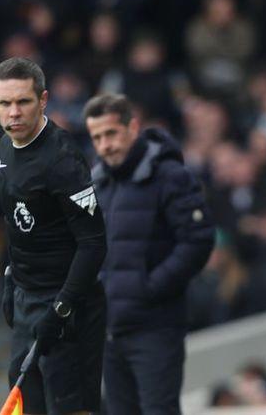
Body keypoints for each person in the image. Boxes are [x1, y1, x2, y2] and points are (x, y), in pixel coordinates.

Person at [83, 94, 214, 414]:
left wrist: (148, 288)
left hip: (156, 328)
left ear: (133, 128)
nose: (105, 145)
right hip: (110, 330)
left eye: (111, 133)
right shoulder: (98, 182)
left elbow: (198, 240)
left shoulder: (170, 176)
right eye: (97, 138)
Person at [0, 57, 107, 415]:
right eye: (5, 103)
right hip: (27, 300)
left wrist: (62, 307)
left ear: (43, 100)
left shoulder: (63, 159)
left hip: (68, 307)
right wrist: (12, 281)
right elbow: (16, 222)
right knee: (27, 405)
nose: (14, 112)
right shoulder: (5, 147)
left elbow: (93, 243)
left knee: (70, 408)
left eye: (23, 101)